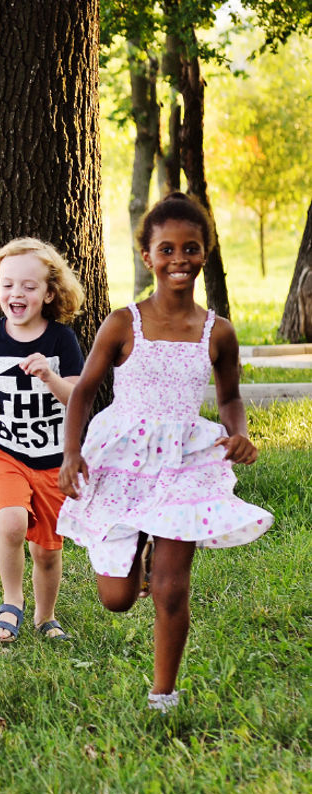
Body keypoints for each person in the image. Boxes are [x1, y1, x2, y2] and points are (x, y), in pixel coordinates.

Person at [57, 192, 272, 712]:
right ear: (148, 256)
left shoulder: (216, 332)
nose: (180, 259)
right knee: (118, 599)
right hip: (122, 456)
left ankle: (163, 694)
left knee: (173, 588)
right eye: (168, 249)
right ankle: (140, 549)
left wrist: (237, 431)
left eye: (192, 248)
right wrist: (71, 453)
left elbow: (230, 396)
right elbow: (84, 390)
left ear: (206, 253)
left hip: (186, 461)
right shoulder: (123, 322)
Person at [0, 238, 86, 643]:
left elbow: (79, 396)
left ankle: (45, 617)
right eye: (8, 284)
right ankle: (10, 602)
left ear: (49, 293)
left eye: (29, 286)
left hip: (52, 458)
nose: (17, 293)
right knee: (10, 521)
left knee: (47, 550)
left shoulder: (61, 341)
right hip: (4, 450)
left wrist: (49, 376)